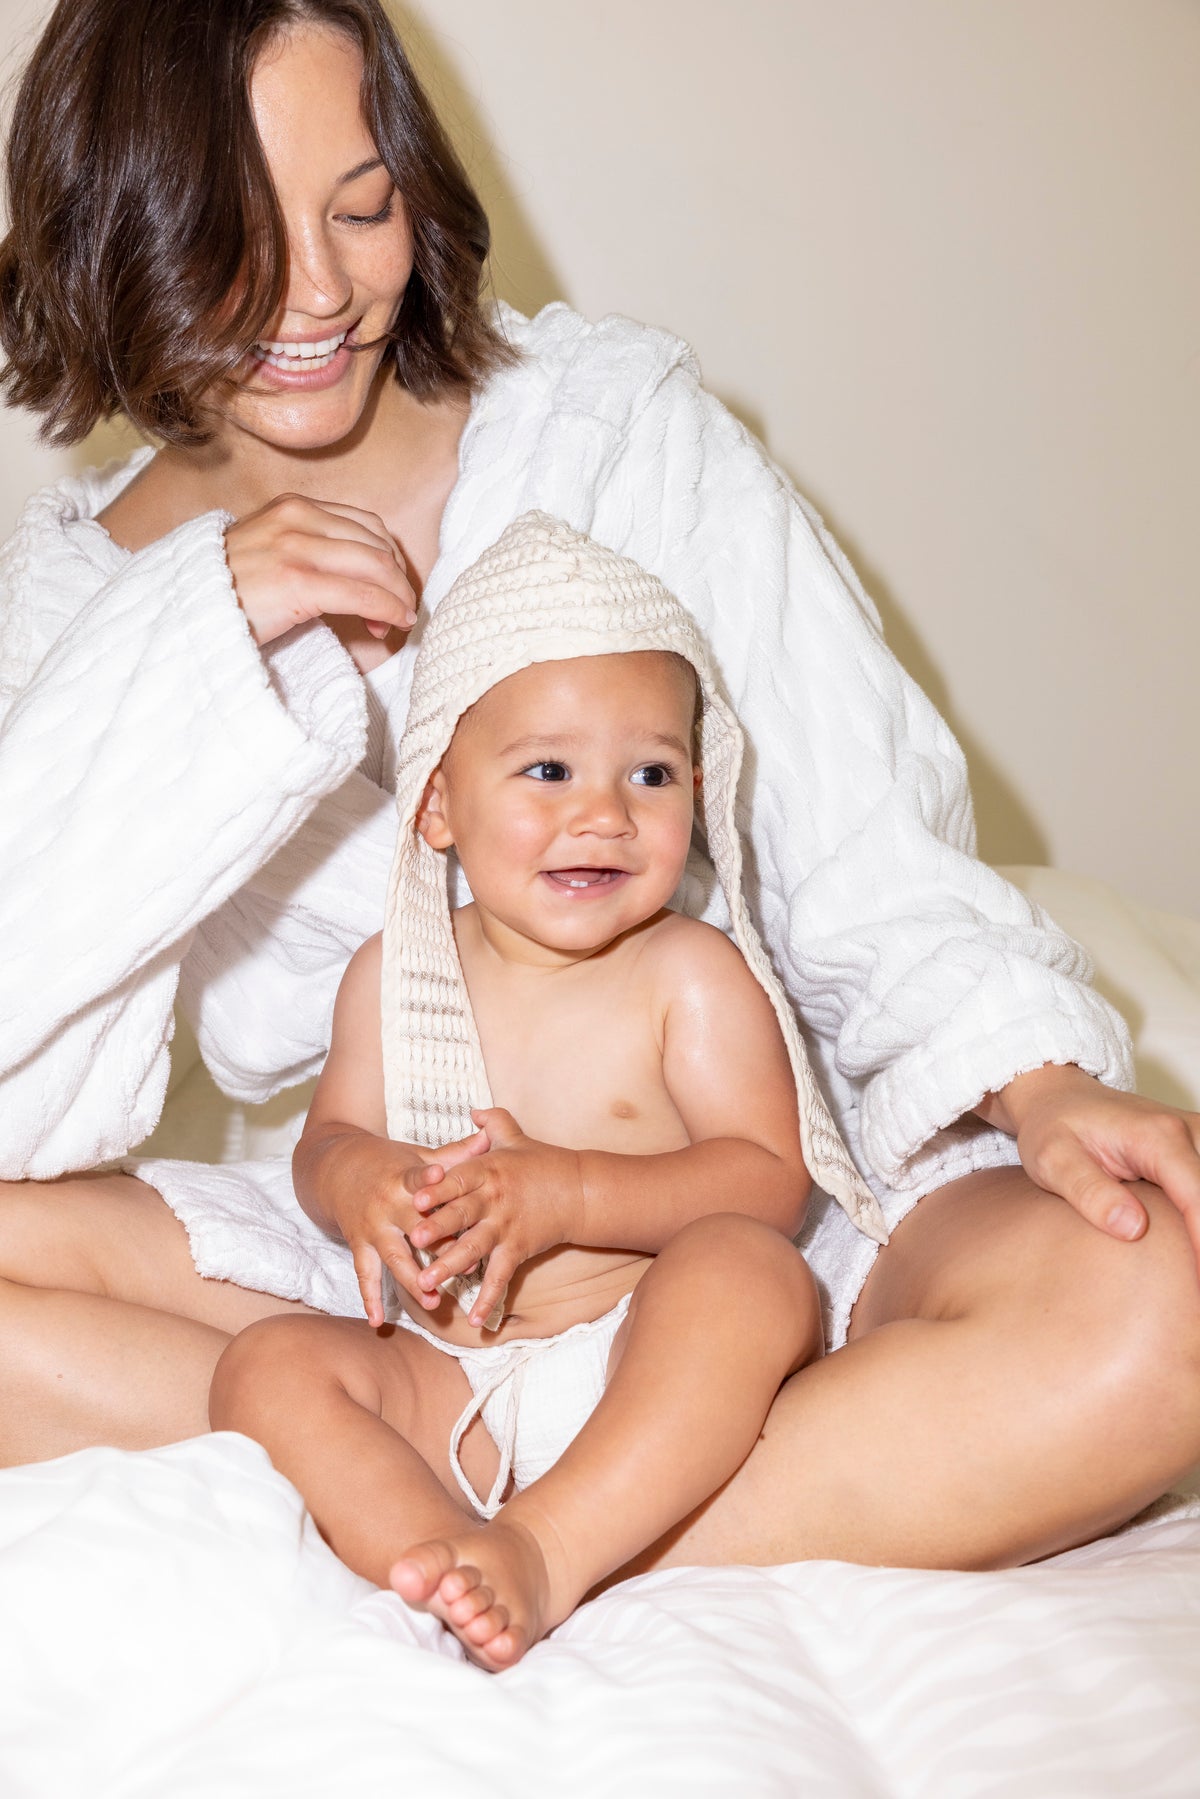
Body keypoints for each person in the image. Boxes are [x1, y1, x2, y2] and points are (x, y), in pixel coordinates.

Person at [0, 0, 1198, 1578]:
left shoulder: (606, 428)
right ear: (116, 232)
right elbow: (30, 1080)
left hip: (749, 1225)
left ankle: (544, 1521)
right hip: (396, 1273)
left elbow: (848, 820)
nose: (318, 288)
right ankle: (487, 1464)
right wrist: (201, 629)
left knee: (1161, 1292)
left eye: (363, 207)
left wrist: (1041, 1083)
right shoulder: (74, 604)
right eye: (234, 229)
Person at [213, 511, 859, 1668]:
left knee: (753, 1275)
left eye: (649, 772)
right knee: (267, 1366)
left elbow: (767, 1177)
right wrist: (357, 1176)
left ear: (697, 794)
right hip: (450, 1373)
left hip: (634, 1362)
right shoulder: (395, 974)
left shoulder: (686, 976)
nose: (602, 812)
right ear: (439, 806)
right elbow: (328, 1139)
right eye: (548, 769)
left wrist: (565, 1193)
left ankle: (550, 1545)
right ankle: (441, 1548)